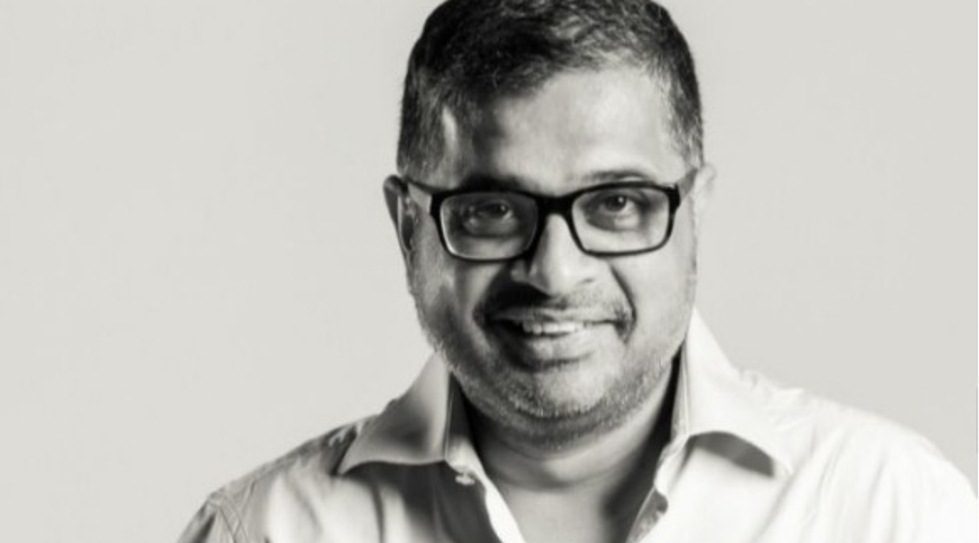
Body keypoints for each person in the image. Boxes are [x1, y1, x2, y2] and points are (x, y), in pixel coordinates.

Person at [178, 1, 975, 541]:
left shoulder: (890, 511)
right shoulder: (265, 530)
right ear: (408, 225)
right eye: (492, 209)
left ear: (693, 211)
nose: (554, 273)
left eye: (616, 203)